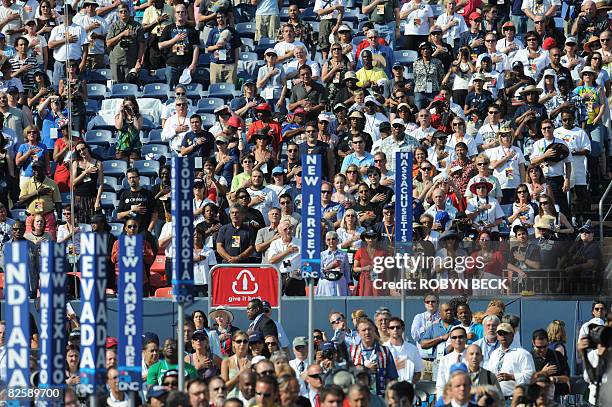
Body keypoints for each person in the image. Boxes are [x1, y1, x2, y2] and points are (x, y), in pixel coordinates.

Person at [349, 317, 398, 395]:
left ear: (374, 330)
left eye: (369, 329)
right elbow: (347, 375)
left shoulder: (385, 351)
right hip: (358, 396)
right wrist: (364, 369)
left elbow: (392, 377)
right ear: (358, 333)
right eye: (363, 330)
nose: (367, 332)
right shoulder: (351, 351)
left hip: (380, 396)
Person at [485, 323, 535, 398]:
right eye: (500, 333)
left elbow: (531, 376)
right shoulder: (494, 354)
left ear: (512, 335)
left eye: (505, 333)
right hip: (496, 399)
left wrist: (512, 377)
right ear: (497, 336)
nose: (503, 336)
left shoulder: (522, 354)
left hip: (514, 398)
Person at [158, 3, 199, 89]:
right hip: (171, 66)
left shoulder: (191, 30)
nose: (180, 14)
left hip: (186, 66)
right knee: (170, 91)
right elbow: (160, 45)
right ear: (174, 14)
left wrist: (193, 64)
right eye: (178, 12)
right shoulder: (168, 28)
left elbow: (196, 48)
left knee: (185, 92)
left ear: (186, 14)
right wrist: (175, 39)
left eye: (183, 12)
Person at [47, 5, 88, 88]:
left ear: (72, 14)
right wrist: (66, 40)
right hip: (60, 63)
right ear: (61, 15)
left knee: (78, 87)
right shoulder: (56, 29)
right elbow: (50, 45)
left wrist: (83, 62)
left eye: (69, 13)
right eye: (64, 14)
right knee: (57, 87)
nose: (67, 16)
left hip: (75, 63)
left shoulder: (79, 28)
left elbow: (85, 46)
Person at [111, 218, 155, 295]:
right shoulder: (118, 243)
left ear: (138, 228)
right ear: (125, 228)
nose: (132, 228)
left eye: (135, 226)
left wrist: (141, 253)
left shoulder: (144, 243)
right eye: (130, 226)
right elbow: (113, 259)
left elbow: (150, 259)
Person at [18, 162, 61, 239]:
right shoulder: (27, 183)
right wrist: (37, 192)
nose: (36, 172)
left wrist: (59, 218)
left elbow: (58, 202)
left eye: (38, 169)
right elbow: (21, 201)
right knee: (29, 243)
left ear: (44, 170)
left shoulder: (52, 183)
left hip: (47, 217)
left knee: (50, 244)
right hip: (32, 218)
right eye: (34, 170)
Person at [267, 218, 303, 296]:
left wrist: (302, 268)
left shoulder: (300, 242)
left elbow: (307, 260)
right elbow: (271, 260)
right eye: (285, 229)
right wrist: (287, 252)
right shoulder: (275, 244)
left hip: (296, 277)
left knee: (299, 303)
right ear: (279, 231)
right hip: (281, 277)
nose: (288, 231)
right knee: (281, 302)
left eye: (290, 228)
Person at [117, 168, 157, 233]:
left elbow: (154, 214)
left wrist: (149, 230)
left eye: (134, 177)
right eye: (130, 178)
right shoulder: (124, 194)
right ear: (127, 180)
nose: (132, 180)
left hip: (143, 231)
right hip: (128, 231)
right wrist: (131, 211)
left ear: (139, 178)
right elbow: (118, 216)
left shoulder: (148, 194)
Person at [71, 141, 102, 224]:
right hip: (79, 198)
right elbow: (73, 183)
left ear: (87, 148)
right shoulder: (76, 163)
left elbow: (100, 184)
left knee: (94, 223)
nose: (82, 152)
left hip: (93, 197)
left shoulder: (98, 163)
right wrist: (85, 172)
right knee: (80, 224)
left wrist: (98, 200)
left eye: (83, 149)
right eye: (79, 151)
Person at [383, 316, 422, 384]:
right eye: (392, 328)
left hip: (407, 389)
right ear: (388, 330)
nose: (395, 329)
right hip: (389, 389)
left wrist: (410, 386)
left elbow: (418, 372)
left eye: (398, 327)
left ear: (402, 329)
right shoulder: (383, 348)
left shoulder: (413, 349)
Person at [206, 11, 241, 84]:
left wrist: (235, 64)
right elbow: (208, 48)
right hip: (216, 64)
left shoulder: (232, 31)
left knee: (230, 89)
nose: (220, 19)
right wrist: (216, 46)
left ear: (226, 18)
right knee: (215, 89)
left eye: (222, 17)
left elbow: (236, 48)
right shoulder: (213, 31)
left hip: (230, 64)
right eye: (218, 17)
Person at [353, 229, 387, 296]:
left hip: (379, 280)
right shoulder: (359, 252)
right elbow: (355, 268)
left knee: (379, 300)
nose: (370, 240)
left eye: (373, 237)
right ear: (365, 238)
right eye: (368, 238)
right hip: (365, 280)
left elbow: (388, 268)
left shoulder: (383, 252)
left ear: (377, 238)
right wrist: (364, 268)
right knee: (365, 302)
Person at [317, 230, 351, 297]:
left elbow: (347, 271)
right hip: (325, 283)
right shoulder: (321, 255)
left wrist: (348, 284)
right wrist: (329, 267)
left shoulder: (343, 254)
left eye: (333, 239)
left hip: (340, 284)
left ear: (338, 240)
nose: (331, 241)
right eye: (328, 239)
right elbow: (318, 272)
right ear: (326, 242)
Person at [114, 96, 143, 163]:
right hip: (122, 146)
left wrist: (133, 114)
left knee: (133, 167)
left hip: (135, 146)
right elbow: (119, 127)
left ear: (134, 105)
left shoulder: (138, 116)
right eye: (126, 105)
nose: (128, 107)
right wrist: (121, 113)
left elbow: (137, 128)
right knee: (122, 166)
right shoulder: (118, 115)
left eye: (130, 105)